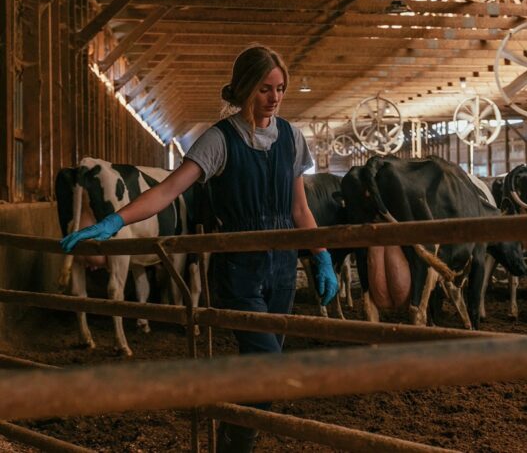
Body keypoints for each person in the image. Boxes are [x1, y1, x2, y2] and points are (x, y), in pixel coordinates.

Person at [60, 45, 339, 453]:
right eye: (265, 89)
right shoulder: (218, 140)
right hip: (239, 266)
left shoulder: (293, 138)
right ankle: (234, 443)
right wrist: (115, 219)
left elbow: (300, 209)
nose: (275, 98)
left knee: (263, 367)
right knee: (270, 367)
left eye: (280, 89)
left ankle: (230, 429)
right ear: (245, 89)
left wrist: (322, 255)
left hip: (282, 267)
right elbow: (168, 191)